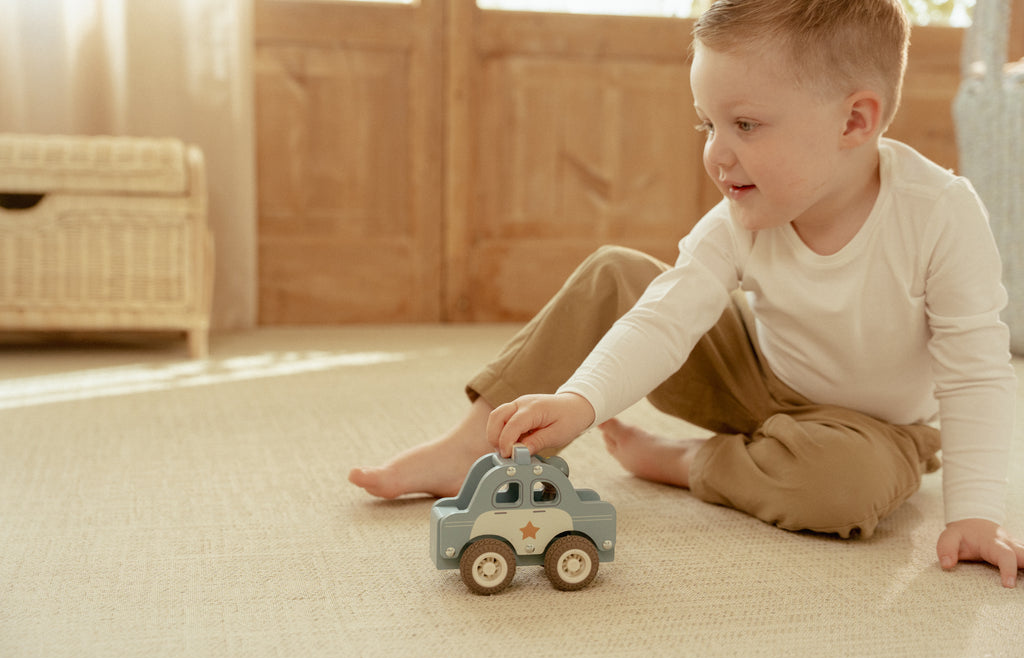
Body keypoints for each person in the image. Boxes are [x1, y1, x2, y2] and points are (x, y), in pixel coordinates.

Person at [350, 0, 1024, 587]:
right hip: (754, 371)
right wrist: (581, 399)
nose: (716, 154)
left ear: (854, 122)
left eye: (746, 126)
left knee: (846, 487)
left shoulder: (939, 214)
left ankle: (686, 461)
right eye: (707, 124)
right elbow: (669, 314)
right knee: (618, 271)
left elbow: (974, 372)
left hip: (874, 428)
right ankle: (478, 440)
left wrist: (973, 515)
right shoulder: (742, 217)